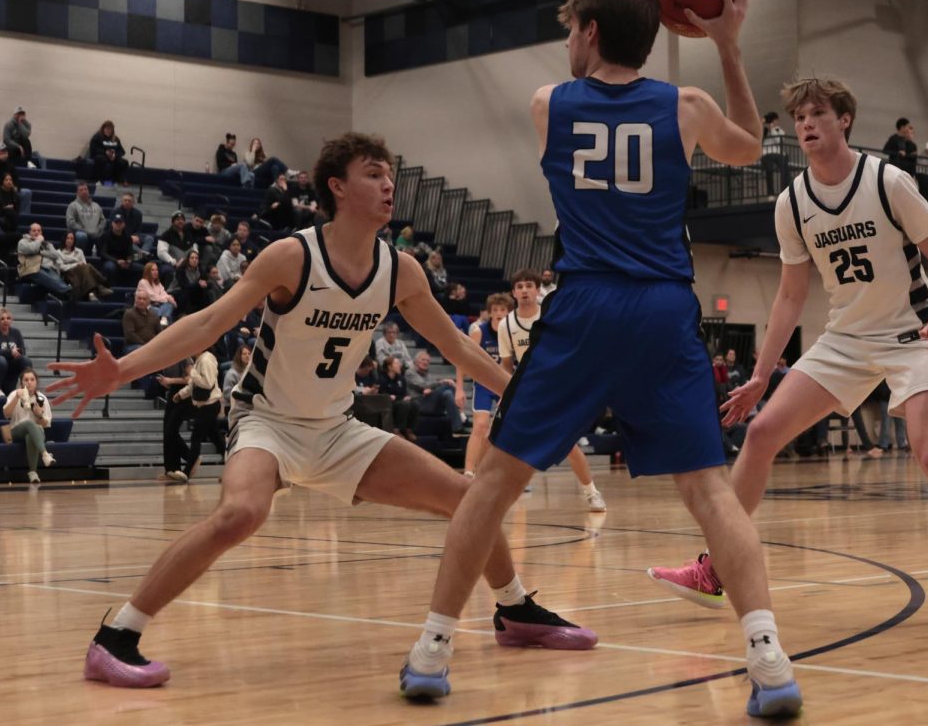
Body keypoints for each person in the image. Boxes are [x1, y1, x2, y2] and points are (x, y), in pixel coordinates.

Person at [49, 132, 592, 689]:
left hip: (336, 430)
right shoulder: (292, 256)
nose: (388, 185)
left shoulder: (399, 269)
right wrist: (122, 370)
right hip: (267, 421)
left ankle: (515, 610)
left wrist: (525, 398)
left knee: (469, 497)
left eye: (390, 175)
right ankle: (115, 636)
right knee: (242, 514)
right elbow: (209, 324)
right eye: (373, 174)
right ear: (337, 186)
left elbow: (457, 349)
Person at [401, 0, 801, 717]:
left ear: (588, 33)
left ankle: (432, 648)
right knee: (712, 492)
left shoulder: (547, 104)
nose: (567, 42)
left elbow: (584, 91)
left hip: (583, 304)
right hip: (661, 307)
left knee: (492, 483)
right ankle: (768, 656)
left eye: (570, 30)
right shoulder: (686, 105)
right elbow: (750, 149)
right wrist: (729, 45)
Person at [648, 77, 928, 642]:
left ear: (844, 120)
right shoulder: (793, 202)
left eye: (817, 115)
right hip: (845, 339)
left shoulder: (888, 180)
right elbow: (788, 295)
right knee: (761, 435)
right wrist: (761, 374)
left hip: (910, 333)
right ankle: (715, 569)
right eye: (799, 117)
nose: (805, 125)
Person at [498, 269, 605, 511]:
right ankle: (502, 494)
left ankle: (591, 492)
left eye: (529, 285)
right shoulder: (506, 324)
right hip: (526, 389)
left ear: (538, 290)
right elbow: (506, 365)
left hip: (557, 385)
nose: (524, 290)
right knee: (507, 443)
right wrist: (506, 393)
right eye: (520, 286)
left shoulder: (553, 316)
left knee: (568, 445)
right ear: (513, 292)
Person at [463, 293, 510, 476]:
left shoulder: (512, 333)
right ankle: (468, 471)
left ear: (508, 313)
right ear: (490, 313)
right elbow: (463, 359)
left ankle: (500, 472)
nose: (499, 313)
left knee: (505, 429)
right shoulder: (479, 332)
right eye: (495, 310)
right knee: (480, 426)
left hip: (505, 384)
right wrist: (459, 388)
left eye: (503, 310)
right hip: (483, 384)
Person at [171, 348, 225, 480]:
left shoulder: (206, 360)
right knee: (217, 439)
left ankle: (187, 472)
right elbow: (193, 385)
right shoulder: (199, 361)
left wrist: (192, 373)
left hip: (210, 405)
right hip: (205, 405)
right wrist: (181, 394)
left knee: (196, 437)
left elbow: (207, 383)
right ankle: (233, 468)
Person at [2, 369, 56, 484]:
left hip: (36, 433)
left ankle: (33, 473)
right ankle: (45, 454)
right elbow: (6, 414)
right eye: (26, 380)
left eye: (32, 379)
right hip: (16, 431)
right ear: (21, 383)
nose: (29, 382)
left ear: (36, 382)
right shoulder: (14, 394)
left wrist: (39, 415)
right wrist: (17, 397)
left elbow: (46, 424)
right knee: (28, 423)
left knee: (30, 436)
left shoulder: (41, 398)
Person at [405, 350, 465, 435]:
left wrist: (431, 389)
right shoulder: (410, 372)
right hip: (419, 403)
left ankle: (457, 428)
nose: (425, 362)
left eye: (428, 361)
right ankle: (462, 415)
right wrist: (441, 382)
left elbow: (430, 388)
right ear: (416, 361)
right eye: (423, 360)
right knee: (448, 385)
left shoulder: (428, 375)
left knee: (448, 393)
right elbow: (423, 385)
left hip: (431, 403)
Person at [17, 222, 73, 299]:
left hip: (48, 268)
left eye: (39, 230)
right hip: (31, 269)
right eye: (34, 231)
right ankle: (68, 292)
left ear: (41, 232)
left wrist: (40, 252)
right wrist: (39, 241)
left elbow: (55, 255)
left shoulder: (47, 244)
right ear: (29, 232)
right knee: (46, 276)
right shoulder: (23, 242)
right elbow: (33, 249)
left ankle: (66, 292)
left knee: (55, 278)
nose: (37, 232)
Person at [0, 306, 32, 396]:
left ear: (11, 320)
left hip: (12, 364)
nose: (6, 321)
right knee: (1, 360)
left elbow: (22, 350)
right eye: (2, 319)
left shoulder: (16, 332)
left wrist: (18, 351)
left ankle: (26, 387)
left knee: (26, 360)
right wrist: (10, 352)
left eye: (8, 318)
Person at [54, 232, 112, 302]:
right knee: (88, 267)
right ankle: (101, 285)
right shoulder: (58, 252)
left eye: (71, 239)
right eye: (67, 238)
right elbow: (61, 267)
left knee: (87, 267)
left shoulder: (79, 251)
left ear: (74, 240)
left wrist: (79, 265)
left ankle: (91, 293)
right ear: (64, 239)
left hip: (81, 273)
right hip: (68, 274)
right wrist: (76, 265)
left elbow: (84, 264)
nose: (69, 240)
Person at [883, 117, 928, 200]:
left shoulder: (907, 142)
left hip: (904, 170)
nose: (909, 128)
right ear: (902, 127)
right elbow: (885, 150)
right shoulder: (894, 138)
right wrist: (898, 153)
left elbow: (910, 155)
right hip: (895, 167)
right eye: (907, 126)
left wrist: (909, 155)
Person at [379, 356, 418, 441]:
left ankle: (409, 429)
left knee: (415, 404)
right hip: (387, 403)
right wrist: (396, 397)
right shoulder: (382, 378)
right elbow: (383, 394)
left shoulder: (401, 378)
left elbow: (403, 393)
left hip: (399, 400)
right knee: (404, 404)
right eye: (397, 363)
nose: (399, 365)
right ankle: (397, 430)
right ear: (389, 367)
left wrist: (406, 396)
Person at [66, 182, 107, 256]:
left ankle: (101, 259)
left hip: (96, 233)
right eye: (81, 190)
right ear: (77, 193)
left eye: (85, 189)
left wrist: (98, 230)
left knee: (104, 235)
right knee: (81, 236)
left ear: (88, 191)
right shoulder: (73, 205)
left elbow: (103, 221)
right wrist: (86, 231)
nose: (84, 191)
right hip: (80, 233)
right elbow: (70, 222)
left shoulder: (96, 205)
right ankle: (77, 256)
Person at [99, 214, 136, 283]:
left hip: (123, 262)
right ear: (112, 224)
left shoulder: (127, 238)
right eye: (116, 222)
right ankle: (110, 289)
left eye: (120, 223)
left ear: (124, 224)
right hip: (109, 261)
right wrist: (117, 261)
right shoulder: (105, 236)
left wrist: (129, 261)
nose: (118, 224)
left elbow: (130, 253)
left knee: (142, 269)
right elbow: (103, 253)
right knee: (110, 267)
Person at [122, 290, 161, 354]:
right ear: (135, 300)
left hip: (151, 345)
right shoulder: (129, 313)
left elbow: (159, 332)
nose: (141, 301)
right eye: (139, 298)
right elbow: (130, 334)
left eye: (144, 299)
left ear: (149, 302)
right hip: (133, 345)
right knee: (144, 351)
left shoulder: (154, 315)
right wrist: (145, 345)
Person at [89, 120, 128, 185]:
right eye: (107, 129)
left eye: (110, 129)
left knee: (124, 162)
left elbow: (121, 151)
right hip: (101, 156)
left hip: (113, 157)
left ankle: (118, 181)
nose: (109, 131)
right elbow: (93, 149)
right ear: (103, 129)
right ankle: (99, 180)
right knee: (101, 159)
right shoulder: (97, 137)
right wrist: (105, 152)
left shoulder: (116, 139)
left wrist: (115, 155)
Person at [761, 110, 788, 198]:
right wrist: (765, 128)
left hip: (778, 154)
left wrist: (772, 129)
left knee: (784, 169)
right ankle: (771, 194)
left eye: (774, 120)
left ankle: (786, 191)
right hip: (767, 154)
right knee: (769, 170)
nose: (773, 122)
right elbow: (759, 140)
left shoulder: (780, 131)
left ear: (777, 121)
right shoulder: (764, 130)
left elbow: (778, 140)